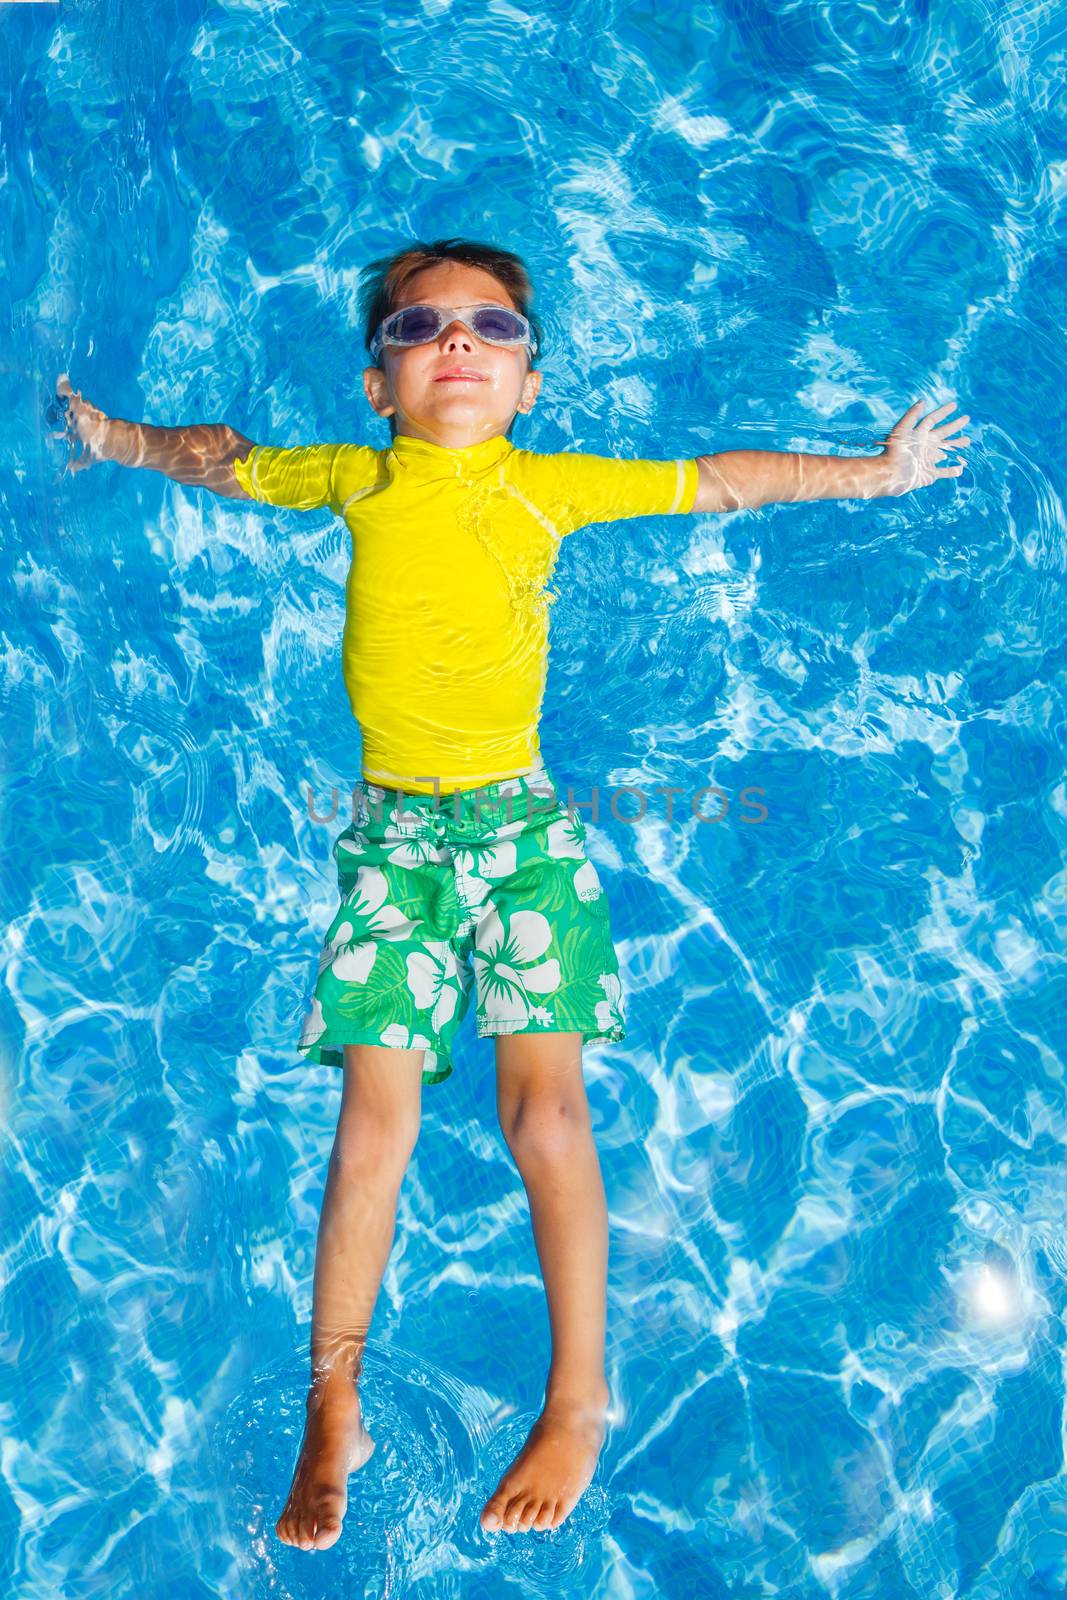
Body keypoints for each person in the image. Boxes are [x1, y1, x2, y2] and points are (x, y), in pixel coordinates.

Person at [53, 237, 970, 1552]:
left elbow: (720, 482)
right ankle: (336, 1402)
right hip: (388, 845)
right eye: (419, 326)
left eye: (494, 326)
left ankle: (579, 1397)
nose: (460, 342)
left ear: (530, 381)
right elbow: (224, 455)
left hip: (526, 832)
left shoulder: (550, 490)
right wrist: (120, 439)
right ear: (378, 380)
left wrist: (874, 473)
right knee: (371, 1125)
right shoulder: (356, 479)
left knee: (544, 1117)